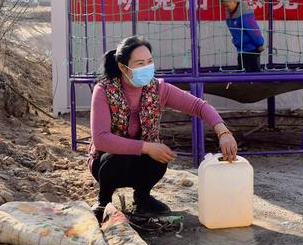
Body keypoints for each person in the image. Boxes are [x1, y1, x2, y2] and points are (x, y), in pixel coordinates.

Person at [89, 36, 238, 221]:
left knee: (159, 160)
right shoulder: (104, 90)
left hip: (140, 161)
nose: (146, 67)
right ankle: (103, 201)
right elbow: (101, 138)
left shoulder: (158, 88)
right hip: (107, 163)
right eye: (139, 63)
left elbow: (199, 106)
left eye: (149, 62)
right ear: (122, 67)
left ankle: (142, 197)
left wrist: (223, 132)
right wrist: (148, 147)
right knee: (118, 158)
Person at [219, 0, 265, 72]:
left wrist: (259, 43)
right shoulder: (229, 15)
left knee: (254, 72)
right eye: (224, 6)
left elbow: (253, 29)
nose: (226, 8)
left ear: (234, 1)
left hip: (252, 48)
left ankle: (260, 83)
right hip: (241, 49)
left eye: (227, 6)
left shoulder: (245, 13)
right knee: (241, 70)